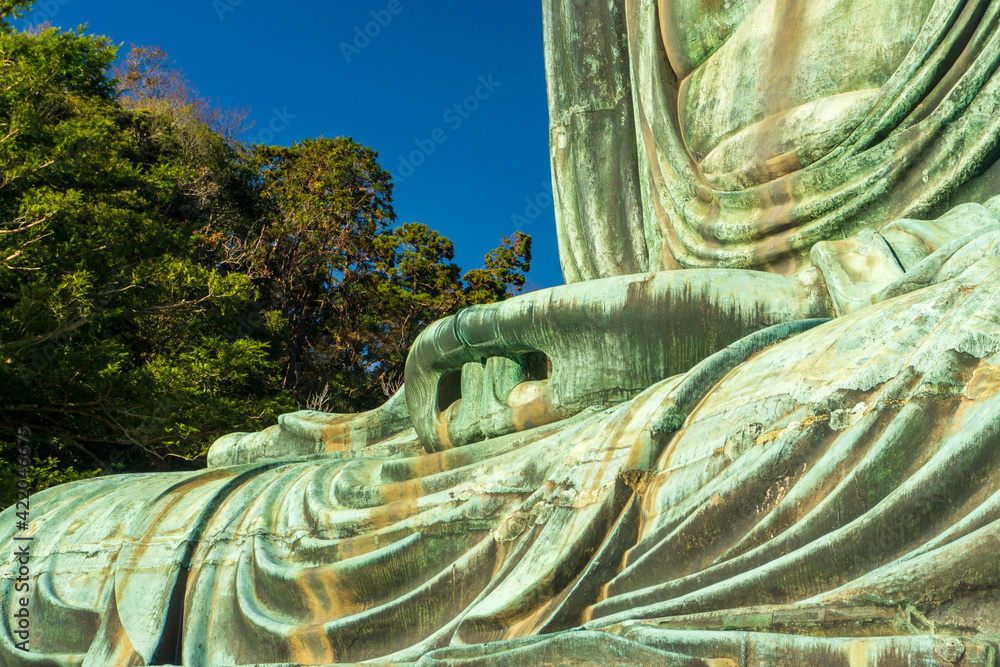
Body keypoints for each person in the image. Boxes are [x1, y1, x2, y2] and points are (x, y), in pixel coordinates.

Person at [6, 0, 1000, 664]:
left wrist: (823, 289)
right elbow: (628, 269)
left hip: (903, 327)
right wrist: (430, 405)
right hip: (641, 412)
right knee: (56, 543)